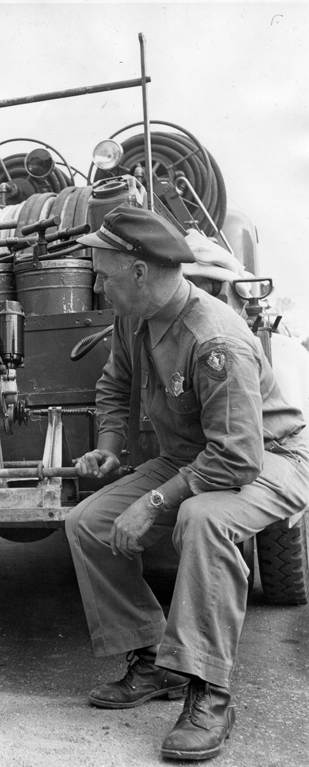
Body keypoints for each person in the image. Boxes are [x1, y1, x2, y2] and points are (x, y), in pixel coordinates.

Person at [65, 204, 309, 761]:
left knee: (206, 520)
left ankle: (209, 689)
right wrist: (108, 448)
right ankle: (153, 662)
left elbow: (238, 458)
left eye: (103, 273)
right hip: (196, 457)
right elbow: (113, 386)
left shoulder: (214, 338)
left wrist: (155, 500)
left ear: (139, 271)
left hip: (270, 457)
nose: (99, 286)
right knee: (90, 523)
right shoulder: (135, 320)